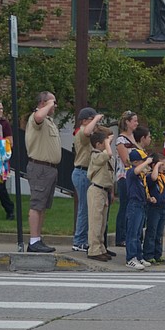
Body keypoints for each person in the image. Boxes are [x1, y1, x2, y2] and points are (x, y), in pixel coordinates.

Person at [24, 91, 61, 253]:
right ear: (43, 103)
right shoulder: (36, 118)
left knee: (43, 205)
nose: (55, 106)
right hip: (39, 167)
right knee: (36, 204)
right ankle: (33, 240)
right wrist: (48, 105)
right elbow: (39, 117)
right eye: (53, 102)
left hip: (49, 168)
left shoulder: (49, 121)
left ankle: (38, 239)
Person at [70, 106, 104, 254]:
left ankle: (83, 239)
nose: (95, 122)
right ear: (84, 120)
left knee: (88, 208)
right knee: (84, 208)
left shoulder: (91, 133)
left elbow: (106, 134)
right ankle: (79, 241)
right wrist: (96, 119)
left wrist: (98, 125)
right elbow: (87, 131)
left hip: (87, 174)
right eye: (92, 119)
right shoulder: (82, 133)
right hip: (82, 172)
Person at [86, 128, 115, 262]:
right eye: (104, 142)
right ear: (98, 144)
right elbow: (108, 154)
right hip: (96, 190)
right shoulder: (96, 155)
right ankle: (93, 249)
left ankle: (101, 247)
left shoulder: (102, 155)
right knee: (95, 222)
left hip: (104, 190)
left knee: (102, 223)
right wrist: (108, 143)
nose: (107, 145)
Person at [125, 149, 156, 270]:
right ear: (136, 162)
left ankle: (138, 256)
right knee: (132, 233)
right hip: (134, 205)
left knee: (138, 233)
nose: (145, 164)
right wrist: (147, 161)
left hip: (141, 204)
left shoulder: (140, 176)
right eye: (143, 161)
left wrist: (149, 198)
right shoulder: (131, 172)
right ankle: (130, 258)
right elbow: (137, 170)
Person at [113, 111, 139, 248]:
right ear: (127, 122)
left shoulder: (133, 137)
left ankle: (131, 234)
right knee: (125, 206)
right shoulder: (121, 141)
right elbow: (126, 161)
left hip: (135, 177)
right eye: (134, 120)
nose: (136, 123)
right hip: (125, 177)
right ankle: (120, 236)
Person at [143, 152, 165, 265]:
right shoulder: (151, 176)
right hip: (153, 208)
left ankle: (157, 254)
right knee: (152, 231)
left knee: (159, 233)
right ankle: (148, 254)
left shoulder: (163, 178)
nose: (163, 166)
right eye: (161, 164)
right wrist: (157, 165)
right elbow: (154, 177)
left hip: (162, 207)